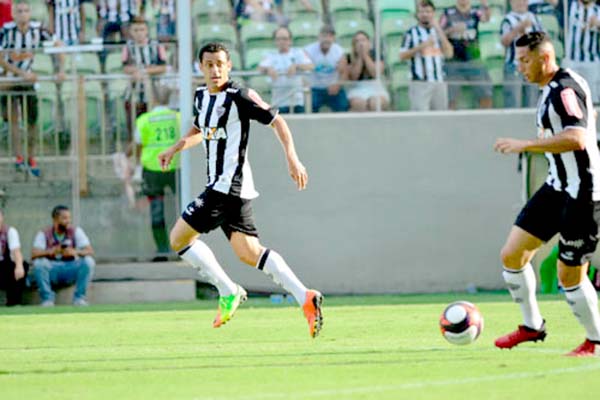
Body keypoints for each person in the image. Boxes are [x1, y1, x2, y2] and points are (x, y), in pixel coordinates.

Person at [157, 42, 324, 338]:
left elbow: (277, 121)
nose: (215, 69)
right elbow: (200, 131)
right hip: (232, 188)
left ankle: (228, 290)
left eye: (220, 63)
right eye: (209, 64)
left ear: (229, 65)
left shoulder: (240, 96)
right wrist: (176, 147)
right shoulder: (200, 98)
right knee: (249, 253)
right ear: (201, 67)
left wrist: (293, 158)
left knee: (178, 238)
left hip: (226, 186)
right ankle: (304, 297)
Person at [494, 31, 600, 356]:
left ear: (545, 58)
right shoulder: (549, 88)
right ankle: (532, 325)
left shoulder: (563, 91)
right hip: (557, 187)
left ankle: (595, 341)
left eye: (525, 60)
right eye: (518, 60)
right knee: (512, 255)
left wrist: (526, 145)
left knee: (569, 275)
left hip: (584, 193)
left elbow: (577, 138)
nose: (519, 67)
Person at [0, 0, 64, 177]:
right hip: (9, 79)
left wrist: (61, 70)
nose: (22, 14)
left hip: (27, 79)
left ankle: (31, 157)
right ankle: (18, 157)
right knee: (13, 120)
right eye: (19, 11)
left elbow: (59, 46)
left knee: (32, 122)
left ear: (30, 13)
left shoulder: (37, 30)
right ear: (14, 14)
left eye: (25, 11)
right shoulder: (6, 31)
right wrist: (20, 73)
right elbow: (1, 58)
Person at [133, 87, 179, 261]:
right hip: (175, 168)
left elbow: (138, 143)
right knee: (184, 209)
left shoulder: (145, 119)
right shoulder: (178, 117)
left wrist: (137, 167)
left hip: (152, 170)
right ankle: (186, 248)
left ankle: (162, 250)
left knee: (157, 210)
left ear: (153, 100)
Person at [31, 205, 95, 306]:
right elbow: (34, 253)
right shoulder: (44, 233)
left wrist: (75, 252)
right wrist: (51, 251)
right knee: (39, 263)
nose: (68, 221)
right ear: (55, 219)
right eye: (64, 218)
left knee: (88, 261)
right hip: (52, 268)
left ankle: (79, 299)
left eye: (69, 218)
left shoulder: (76, 231)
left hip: (70, 268)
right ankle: (47, 300)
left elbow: (90, 250)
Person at [400, 0, 454, 111]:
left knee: (440, 118)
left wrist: (439, 31)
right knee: (421, 118)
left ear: (433, 14)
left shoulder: (439, 32)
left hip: (439, 81)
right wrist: (422, 46)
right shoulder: (411, 33)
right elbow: (402, 55)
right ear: (417, 14)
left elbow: (449, 53)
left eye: (428, 12)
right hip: (420, 83)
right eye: (422, 12)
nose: (425, 14)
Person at [122, 16, 168, 142]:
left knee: (152, 125)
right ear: (131, 32)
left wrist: (144, 71)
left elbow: (163, 67)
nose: (139, 33)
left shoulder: (157, 46)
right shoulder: (128, 47)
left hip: (153, 93)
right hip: (133, 94)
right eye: (136, 30)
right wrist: (136, 72)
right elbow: (125, 68)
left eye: (142, 29)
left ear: (147, 30)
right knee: (134, 127)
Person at [440, 0, 493, 109]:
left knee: (485, 94)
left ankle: (487, 121)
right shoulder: (447, 13)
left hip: (473, 59)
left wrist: (485, 5)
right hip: (453, 61)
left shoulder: (475, 12)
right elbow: (438, 32)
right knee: (450, 98)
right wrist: (451, 30)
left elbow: (486, 19)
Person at [258, 26, 314, 114]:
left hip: (296, 101)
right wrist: (268, 69)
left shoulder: (298, 52)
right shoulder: (270, 55)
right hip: (278, 102)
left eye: (285, 39)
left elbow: (310, 66)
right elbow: (260, 68)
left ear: (290, 40)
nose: (282, 42)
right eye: (279, 39)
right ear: (275, 41)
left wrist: (297, 66)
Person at [500, 0, 544, 108]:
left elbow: (544, 40)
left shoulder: (534, 18)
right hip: (514, 66)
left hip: (532, 66)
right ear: (511, 3)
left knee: (532, 103)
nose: (520, 3)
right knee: (513, 103)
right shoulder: (507, 20)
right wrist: (517, 29)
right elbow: (504, 42)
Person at [303, 25, 349, 113]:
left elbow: (344, 72)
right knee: (310, 106)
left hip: (333, 87)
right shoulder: (308, 50)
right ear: (319, 37)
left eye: (330, 36)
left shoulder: (339, 51)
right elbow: (303, 69)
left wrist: (338, 85)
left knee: (343, 105)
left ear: (334, 38)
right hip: (315, 88)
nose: (327, 39)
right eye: (324, 36)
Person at [563, 0, 600, 104]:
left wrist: (598, 23)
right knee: (569, 98)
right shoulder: (569, 6)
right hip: (571, 60)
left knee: (592, 99)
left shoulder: (598, 10)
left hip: (591, 61)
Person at [345, 30, 390, 112]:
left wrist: (365, 55)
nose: (360, 43)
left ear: (369, 43)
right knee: (359, 104)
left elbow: (376, 74)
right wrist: (360, 57)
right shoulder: (349, 57)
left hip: (375, 86)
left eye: (363, 40)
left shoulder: (376, 55)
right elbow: (354, 77)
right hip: (356, 87)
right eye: (357, 41)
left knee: (375, 104)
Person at [0, 209, 27, 306]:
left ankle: (14, 302)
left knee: (21, 265)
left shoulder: (10, 231)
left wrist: (19, 266)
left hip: (4, 265)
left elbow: (16, 251)